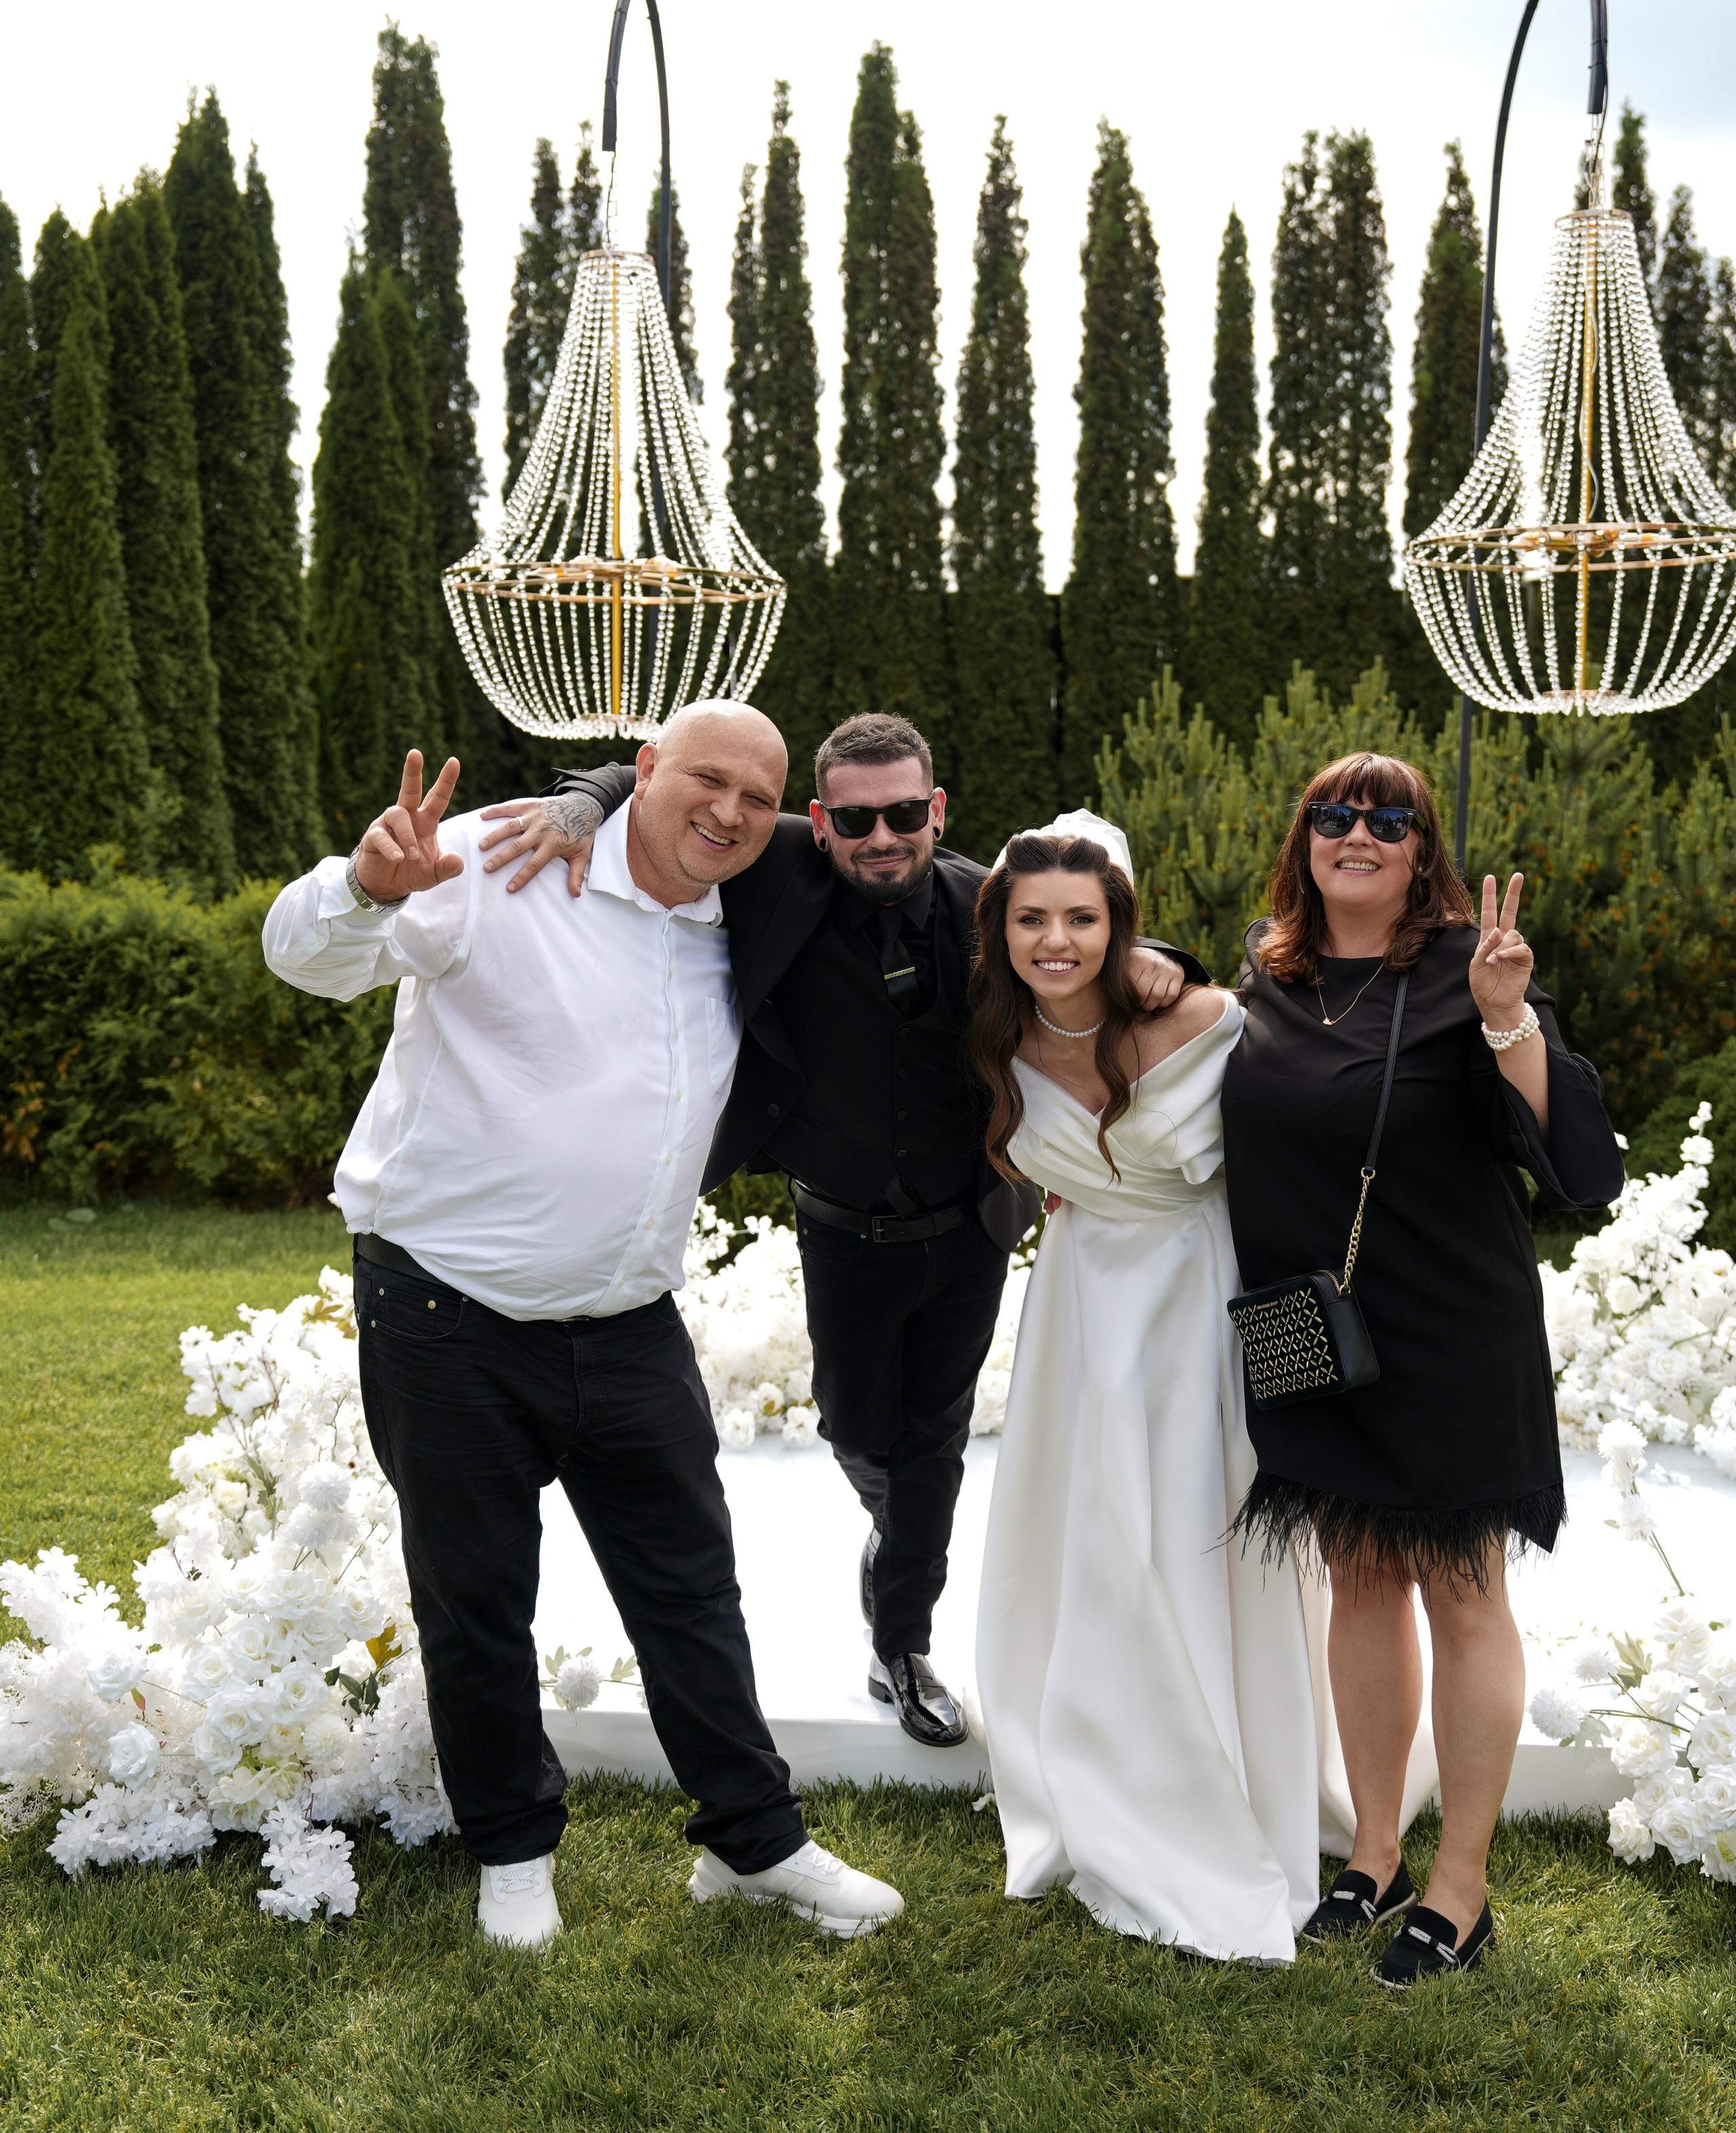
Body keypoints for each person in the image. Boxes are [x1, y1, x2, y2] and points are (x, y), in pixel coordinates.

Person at [260, 709, 903, 1949]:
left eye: (758, 798)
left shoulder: (755, 901)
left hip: (629, 1320)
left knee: (692, 1590)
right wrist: (363, 886)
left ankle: (753, 1842)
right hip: (447, 1311)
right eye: (704, 780)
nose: (729, 813)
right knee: (476, 1599)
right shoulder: (501, 862)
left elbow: (912, 858)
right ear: (645, 770)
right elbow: (309, 960)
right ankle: (512, 1852)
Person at [484, 716, 1205, 1750]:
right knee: (860, 1434)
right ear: (819, 821)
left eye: (904, 814)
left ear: (936, 811)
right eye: (856, 820)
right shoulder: (770, 867)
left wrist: (1161, 962)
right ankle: (899, 1529)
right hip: (840, 1230)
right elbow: (660, 785)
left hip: (971, 1227)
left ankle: (901, 1644)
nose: (882, 837)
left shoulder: (987, 904)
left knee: (934, 1445)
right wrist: (579, 802)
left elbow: (1084, 939)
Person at [1221, 754, 1623, 1986]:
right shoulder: (1267, 972)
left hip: (1452, 1331)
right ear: (1303, 841)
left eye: (1388, 819)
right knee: (1358, 1577)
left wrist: (1509, 1019)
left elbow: (1578, 1167)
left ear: (1421, 849)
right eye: (1334, 815)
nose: (1359, 833)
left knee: (1461, 1589)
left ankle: (1462, 1885)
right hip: (1318, 1334)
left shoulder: (1469, 967)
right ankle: (1376, 1852)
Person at [967, 815, 1324, 1962]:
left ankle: (1233, 1766)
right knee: (1097, 1537)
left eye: (1082, 918)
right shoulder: (997, 1039)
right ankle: (1104, 1753)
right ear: (1001, 929)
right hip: (1083, 1307)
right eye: (1033, 919)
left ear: (1121, 925)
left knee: (1198, 1528)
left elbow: (1301, 1141)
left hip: (1203, 1298)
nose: (1056, 940)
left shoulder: (1207, 1018)